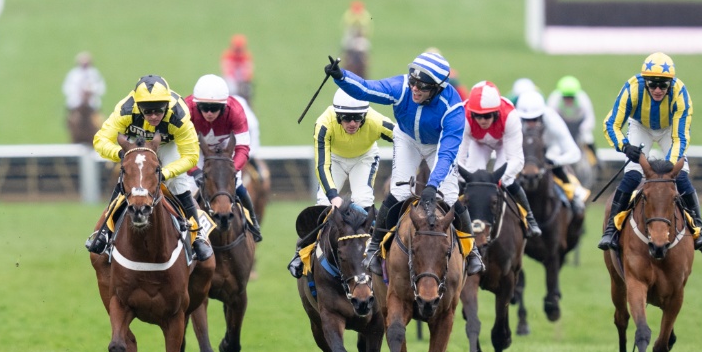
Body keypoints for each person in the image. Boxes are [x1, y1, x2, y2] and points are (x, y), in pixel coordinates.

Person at [325, 50, 484, 275]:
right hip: (407, 138)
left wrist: (432, 184)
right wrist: (341, 76)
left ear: (437, 88)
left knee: (448, 196)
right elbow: (366, 89)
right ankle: (374, 248)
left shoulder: (453, 109)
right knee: (399, 192)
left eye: (422, 86)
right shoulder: (401, 88)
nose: (414, 89)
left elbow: (447, 154)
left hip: (438, 145)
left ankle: (472, 249)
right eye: (413, 82)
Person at [86, 74, 212, 261]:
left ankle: (197, 235)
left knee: (178, 182)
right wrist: (122, 155)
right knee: (127, 180)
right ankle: (105, 232)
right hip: (137, 145)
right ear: (138, 106)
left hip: (168, 146)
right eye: (147, 111)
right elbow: (100, 141)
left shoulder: (179, 114)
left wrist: (165, 173)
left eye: (159, 110)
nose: (153, 116)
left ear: (167, 105)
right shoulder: (125, 110)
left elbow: (191, 156)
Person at [598, 52, 702, 253]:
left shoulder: (681, 94)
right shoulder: (632, 89)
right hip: (640, 126)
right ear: (644, 81)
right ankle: (611, 230)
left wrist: (670, 167)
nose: (658, 89)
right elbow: (611, 124)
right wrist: (624, 146)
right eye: (652, 84)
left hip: (670, 130)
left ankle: (698, 229)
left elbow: (680, 138)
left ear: (671, 84)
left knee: (681, 177)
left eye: (663, 85)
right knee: (632, 176)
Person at [286, 89, 395, 278]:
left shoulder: (376, 121)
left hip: (364, 157)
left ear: (365, 115)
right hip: (333, 160)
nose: (352, 123)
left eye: (357, 118)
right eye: (346, 118)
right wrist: (333, 195)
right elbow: (322, 165)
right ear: (337, 116)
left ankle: (380, 250)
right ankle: (301, 252)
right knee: (323, 204)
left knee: (363, 201)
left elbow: (404, 139)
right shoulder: (323, 124)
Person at [184, 73, 262, 242]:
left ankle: (253, 222)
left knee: (238, 183)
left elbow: (242, 147)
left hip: (225, 152)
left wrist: (232, 168)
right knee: (188, 188)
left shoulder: (236, 111)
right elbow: (180, 149)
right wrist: (193, 170)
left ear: (225, 106)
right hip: (195, 151)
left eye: (215, 108)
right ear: (196, 105)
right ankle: (185, 229)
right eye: (204, 107)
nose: (209, 113)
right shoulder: (185, 110)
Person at [459, 81, 542, 238]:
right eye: (477, 116)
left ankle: (529, 218)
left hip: (504, 143)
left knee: (507, 181)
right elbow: (458, 159)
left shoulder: (510, 115)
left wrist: (496, 180)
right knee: (471, 180)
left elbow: (516, 160)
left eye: (487, 116)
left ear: (496, 113)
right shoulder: (462, 116)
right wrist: (468, 179)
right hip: (478, 144)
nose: (482, 121)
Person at [514, 89, 589, 217]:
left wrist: (555, 161)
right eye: (526, 120)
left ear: (542, 115)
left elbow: (574, 152)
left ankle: (575, 197)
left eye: (535, 119)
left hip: (550, 153)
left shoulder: (552, 119)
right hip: (523, 156)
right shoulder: (513, 119)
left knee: (559, 170)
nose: (530, 124)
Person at [547, 75, 596, 160]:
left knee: (588, 138)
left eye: (571, 97)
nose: (568, 100)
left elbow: (590, 118)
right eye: (566, 97)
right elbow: (549, 119)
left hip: (579, 125)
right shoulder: (554, 99)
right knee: (554, 145)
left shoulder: (583, 98)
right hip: (561, 124)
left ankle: (595, 161)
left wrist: (583, 128)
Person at [62, 52, 107, 144]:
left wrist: (91, 92)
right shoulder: (74, 74)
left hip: (91, 105)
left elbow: (101, 87)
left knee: (99, 120)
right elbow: (67, 88)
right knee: (71, 119)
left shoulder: (94, 74)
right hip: (77, 105)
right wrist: (79, 94)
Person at [220, 34, 254, 102]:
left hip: (242, 81)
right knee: (231, 89)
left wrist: (244, 80)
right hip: (231, 80)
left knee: (247, 91)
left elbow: (248, 70)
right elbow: (226, 71)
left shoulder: (246, 56)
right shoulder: (228, 55)